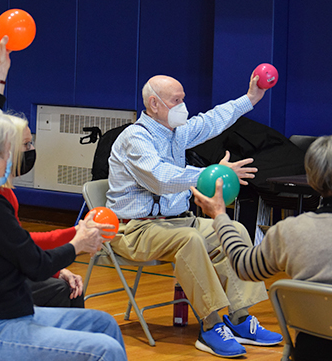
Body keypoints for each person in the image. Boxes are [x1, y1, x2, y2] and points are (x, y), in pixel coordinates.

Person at [106, 74, 282, 358]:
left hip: (177, 222)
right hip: (134, 230)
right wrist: (213, 174)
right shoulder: (135, 138)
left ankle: (240, 318)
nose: (183, 106)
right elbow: (160, 178)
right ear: (154, 103)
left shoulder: (176, 132)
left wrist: (250, 98)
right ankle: (211, 325)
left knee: (233, 229)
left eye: (183, 99)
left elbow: (213, 120)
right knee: (189, 239)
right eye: (177, 100)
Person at [0, 105, 127, 361]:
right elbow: (36, 266)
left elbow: (21, 251)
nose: (14, 160)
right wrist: (78, 243)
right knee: (106, 349)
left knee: (104, 324)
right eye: (8, 154)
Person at [191, 135, 332, 361]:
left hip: (311, 350)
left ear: (312, 178)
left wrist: (219, 216)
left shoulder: (290, 231)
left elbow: (243, 266)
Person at [0, 23, 84, 308]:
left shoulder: (2, 190)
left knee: (65, 285)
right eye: (25, 145)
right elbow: (21, 246)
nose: (31, 150)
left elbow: (17, 247)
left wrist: (1, 68)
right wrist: (78, 238)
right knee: (66, 293)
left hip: (1, 273)